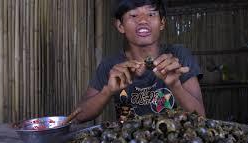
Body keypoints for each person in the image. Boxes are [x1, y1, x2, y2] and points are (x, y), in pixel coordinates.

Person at [74, 0, 205, 123]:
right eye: (133, 15)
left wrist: (176, 86)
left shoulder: (179, 56)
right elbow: (79, 116)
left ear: (162, 23)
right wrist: (107, 91)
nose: (143, 20)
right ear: (120, 26)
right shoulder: (111, 65)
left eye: (151, 14)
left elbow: (201, 117)